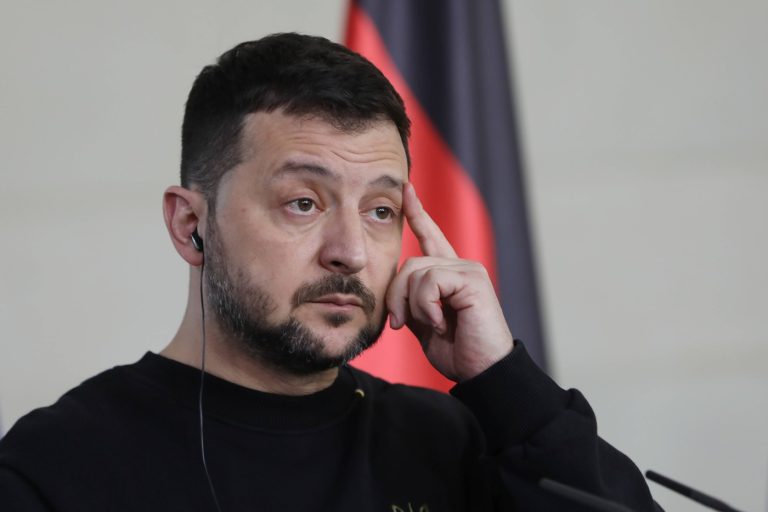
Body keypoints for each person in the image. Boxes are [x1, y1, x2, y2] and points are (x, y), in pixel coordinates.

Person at [0, 33, 660, 511]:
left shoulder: (451, 441)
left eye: (380, 211)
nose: (350, 251)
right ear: (190, 224)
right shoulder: (56, 466)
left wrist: (504, 381)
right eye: (303, 203)